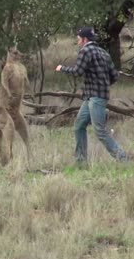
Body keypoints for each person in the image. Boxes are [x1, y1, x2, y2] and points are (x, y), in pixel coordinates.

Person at [55, 27, 128, 163]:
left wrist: (62, 68)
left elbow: (78, 71)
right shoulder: (104, 53)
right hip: (92, 97)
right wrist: (104, 84)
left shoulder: (85, 51)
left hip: (95, 98)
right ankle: (81, 161)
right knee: (78, 126)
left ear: (84, 39)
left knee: (100, 131)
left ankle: (123, 159)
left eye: (78, 40)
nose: (78, 42)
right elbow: (115, 76)